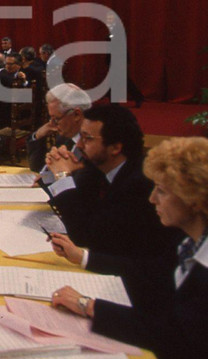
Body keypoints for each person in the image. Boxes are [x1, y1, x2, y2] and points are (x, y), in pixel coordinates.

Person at [49, 137, 208, 359]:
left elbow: (175, 337)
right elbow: (151, 273)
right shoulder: (197, 240)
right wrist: (82, 257)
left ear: (195, 199)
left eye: (162, 191)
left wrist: (87, 305)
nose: (152, 199)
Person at [43, 103, 180, 259]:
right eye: (80, 137)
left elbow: (85, 236)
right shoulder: (98, 167)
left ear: (115, 148)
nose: (79, 145)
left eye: (87, 138)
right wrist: (60, 170)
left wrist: (62, 176)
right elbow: (80, 212)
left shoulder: (139, 184)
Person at [26, 83, 92, 175]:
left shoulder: (94, 146)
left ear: (76, 114)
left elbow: (80, 187)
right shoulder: (65, 138)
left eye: (56, 118)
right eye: (51, 118)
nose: (52, 124)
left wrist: (61, 174)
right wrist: (38, 136)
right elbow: (39, 168)